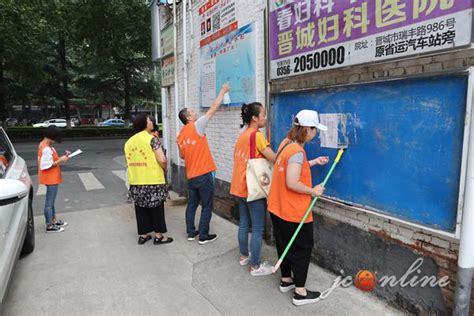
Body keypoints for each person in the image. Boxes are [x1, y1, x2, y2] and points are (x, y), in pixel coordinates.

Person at [267, 109, 330, 306]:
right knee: (302, 248)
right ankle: (300, 293)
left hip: (277, 207)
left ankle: (287, 280)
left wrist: (312, 162)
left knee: (284, 244)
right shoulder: (297, 151)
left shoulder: (287, 144)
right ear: (307, 130)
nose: (316, 134)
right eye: (314, 129)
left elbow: (290, 167)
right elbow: (292, 182)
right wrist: (313, 191)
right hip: (292, 210)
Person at [176, 83, 230, 244]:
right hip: (204, 174)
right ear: (189, 118)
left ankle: (191, 233)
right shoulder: (197, 125)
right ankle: (204, 235)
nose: (195, 112)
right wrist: (223, 90)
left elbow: (183, 156)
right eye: (192, 112)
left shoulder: (180, 136)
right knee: (207, 205)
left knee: (192, 204)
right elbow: (213, 108)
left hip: (191, 176)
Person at [230, 102, 276, 276]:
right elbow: (273, 157)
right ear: (255, 118)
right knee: (257, 228)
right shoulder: (256, 136)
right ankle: (255, 266)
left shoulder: (243, 135)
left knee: (244, 223)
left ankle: (244, 256)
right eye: (263, 115)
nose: (265, 118)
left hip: (240, 186)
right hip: (253, 188)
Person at [125, 113, 173, 245]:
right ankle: (159, 236)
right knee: (156, 208)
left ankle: (144, 235)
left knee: (140, 208)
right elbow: (162, 159)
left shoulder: (129, 142)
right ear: (144, 124)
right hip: (152, 180)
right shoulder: (152, 139)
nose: (152, 122)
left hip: (136, 181)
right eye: (149, 120)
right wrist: (165, 169)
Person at [38, 126, 69, 233]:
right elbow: (45, 165)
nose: (56, 141)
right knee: (49, 203)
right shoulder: (46, 148)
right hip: (50, 178)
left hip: (51, 177)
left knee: (51, 202)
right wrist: (61, 161)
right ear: (52, 137)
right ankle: (50, 225)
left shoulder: (45, 145)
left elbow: (51, 160)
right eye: (55, 138)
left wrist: (62, 158)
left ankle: (53, 221)